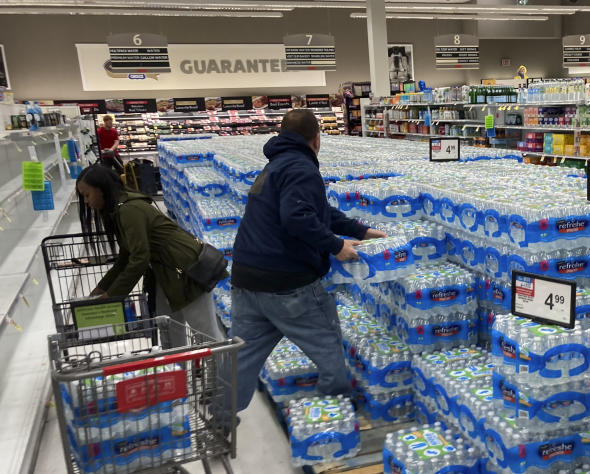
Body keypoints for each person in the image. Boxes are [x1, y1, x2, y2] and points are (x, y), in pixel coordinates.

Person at [230, 109, 385, 412]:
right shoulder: (301, 168)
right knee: (328, 351)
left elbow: (318, 213)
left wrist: (361, 231)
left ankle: (219, 424)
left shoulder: (276, 166)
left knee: (242, 358)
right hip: (287, 283)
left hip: (246, 280)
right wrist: (336, 246)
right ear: (317, 139)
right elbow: (298, 217)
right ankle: (330, 423)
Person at [76, 164, 225, 343]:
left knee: (206, 333)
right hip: (166, 272)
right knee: (168, 328)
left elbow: (139, 259)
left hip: (187, 270)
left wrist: (113, 295)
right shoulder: (118, 209)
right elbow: (126, 256)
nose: (86, 201)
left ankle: (226, 370)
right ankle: (176, 370)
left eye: (87, 195)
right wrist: (103, 288)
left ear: (102, 190)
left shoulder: (129, 210)